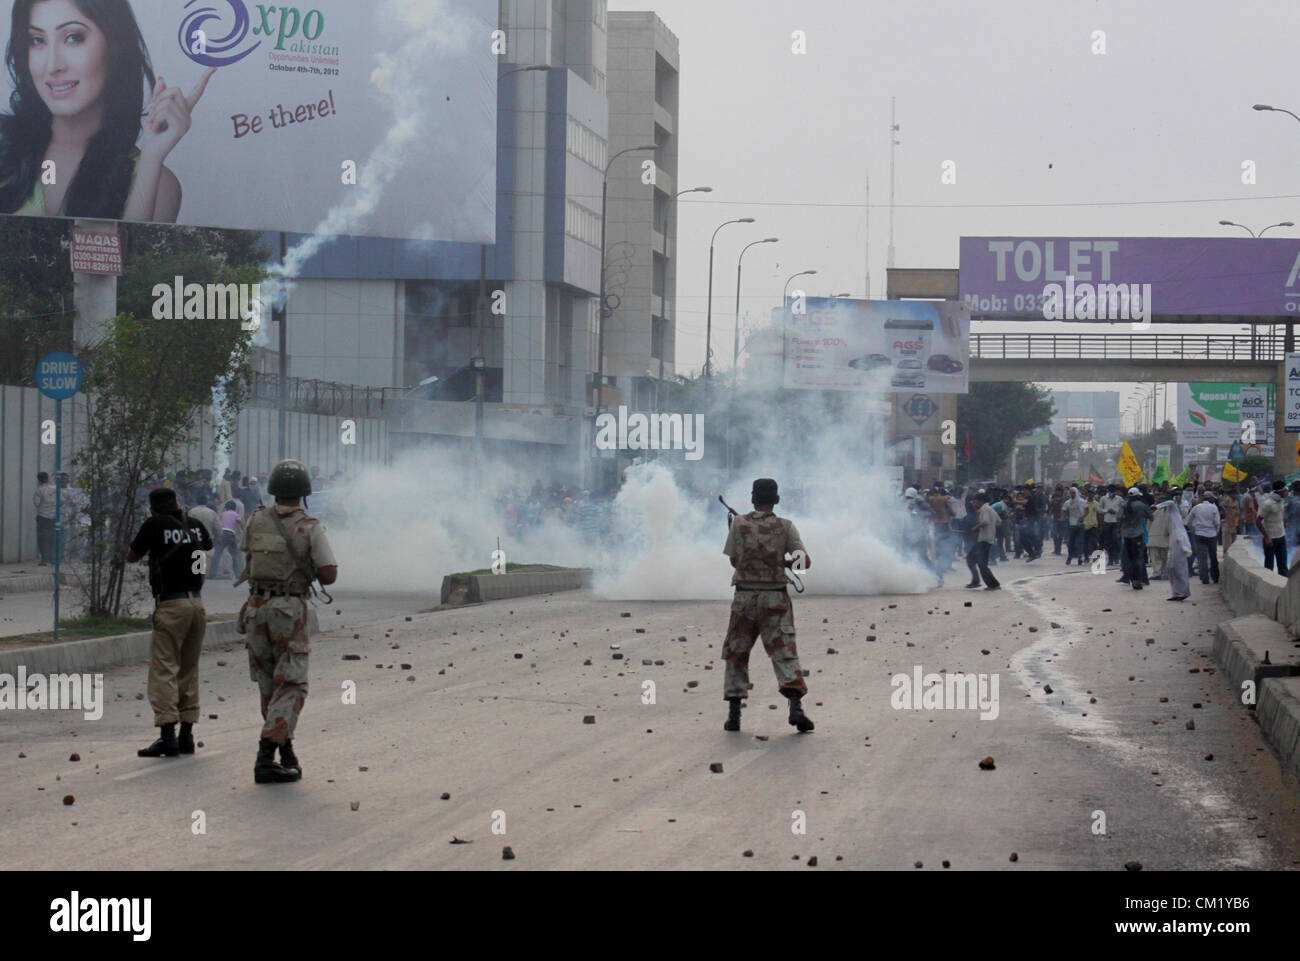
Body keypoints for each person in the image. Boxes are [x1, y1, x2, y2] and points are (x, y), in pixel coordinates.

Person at [0, 0, 214, 220]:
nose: (52, 65)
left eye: (74, 38)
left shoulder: (158, 183)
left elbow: (129, 253)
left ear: (115, 45)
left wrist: (152, 157)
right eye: (37, 40)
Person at [238, 459, 338, 784]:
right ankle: (266, 756)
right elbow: (329, 574)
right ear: (304, 493)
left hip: (255, 608)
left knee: (269, 684)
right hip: (288, 610)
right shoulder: (310, 526)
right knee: (292, 684)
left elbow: (249, 557)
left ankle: (286, 751)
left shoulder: (255, 519)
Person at [720, 478, 813, 734]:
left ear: (752, 499)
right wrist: (780, 561)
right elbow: (803, 563)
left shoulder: (739, 524)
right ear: (777, 499)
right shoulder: (785, 527)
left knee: (737, 653)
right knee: (784, 652)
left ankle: (734, 714)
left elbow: (734, 561)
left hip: (744, 599)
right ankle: (796, 708)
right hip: (774, 599)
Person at [124, 488, 212, 758]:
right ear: (177, 503)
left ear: (152, 509)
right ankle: (187, 735)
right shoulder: (195, 525)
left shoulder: (154, 524)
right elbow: (207, 546)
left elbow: (132, 556)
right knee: (189, 668)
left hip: (171, 605)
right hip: (197, 603)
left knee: (165, 669)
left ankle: (167, 736)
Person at [1118, 487, 1150, 589]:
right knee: (1139, 558)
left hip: (1126, 534)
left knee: (1129, 558)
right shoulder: (1142, 505)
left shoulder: (1123, 505)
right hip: (1138, 534)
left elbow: (1118, 517)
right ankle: (1142, 579)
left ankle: (1132, 579)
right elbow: (1151, 516)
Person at [1161, 498, 1192, 601]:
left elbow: (1170, 503)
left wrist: (1156, 506)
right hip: (1173, 545)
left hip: (1180, 545)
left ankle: (1183, 592)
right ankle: (1176, 592)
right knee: (1171, 568)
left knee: (1179, 569)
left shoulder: (1175, 515)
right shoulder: (1169, 517)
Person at [970, 491, 1001, 590]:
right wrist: (991, 528)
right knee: (971, 559)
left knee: (981, 564)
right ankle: (976, 581)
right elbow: (999, 522)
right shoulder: (990, 509)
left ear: (980, 501)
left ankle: (993, 584)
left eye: (975, 502)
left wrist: (976, 527)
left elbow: (985, 521)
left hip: (984, 539)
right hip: (988, 538)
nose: (974, 504)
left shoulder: (985, 509)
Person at [1257, 481, 1288, 575]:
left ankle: (1283, 586)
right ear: (1280, 491)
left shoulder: (1281, 501)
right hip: (1271, 539)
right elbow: (1258, 521)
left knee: (1283, 565)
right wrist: (1266, 537)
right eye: (1285, 490)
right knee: (1269, 566)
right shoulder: (1268, 504)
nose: (1287, 492)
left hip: (1281, 537)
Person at [211, 499, 243, 580]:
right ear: (234, 508)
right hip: (231, 534)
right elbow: (239, 522)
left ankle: (212, 574)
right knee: (234, 555)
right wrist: (242, 529)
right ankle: (237, 574)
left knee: (217, 555)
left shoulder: (223, 514)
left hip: (222, 534)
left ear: (226, 507)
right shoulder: (236, 514)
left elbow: (218, 522)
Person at [33, 471, 56, 565]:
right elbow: (62, 500)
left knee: (43, 539)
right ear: (48, 478)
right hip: (54, 516)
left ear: (39, 480)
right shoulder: (55, 489)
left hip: (43, 516)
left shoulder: (39, 490)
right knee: (53, 538)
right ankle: (53, 558)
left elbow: (36, 503)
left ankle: (44, 559)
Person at [1099, 485, 1124, 566]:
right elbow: (1099, 509)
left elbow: (1123, 508)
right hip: (1107, 521)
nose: (1111, 493)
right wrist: (1106, 510)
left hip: (1116, 522)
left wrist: (1116, 512)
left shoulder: (1119, 499)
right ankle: (1110, 558)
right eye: (1110, 491)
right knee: (1108, 541)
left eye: (1113, 491)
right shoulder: (1103, 498)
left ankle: (1116, 557)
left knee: (1116, 540)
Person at [1064, 486, 1087, 565]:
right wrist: (1063, 517)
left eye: (1073, 492)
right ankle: (1070, 556)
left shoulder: (1082, 501)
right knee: (1070, 542)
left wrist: (1083, 517)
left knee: (1079, 542)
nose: (1072, 494)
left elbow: (1087, 510)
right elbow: (1063, 510)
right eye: (1070, 493)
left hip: (1080, 524)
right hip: (1071, 524)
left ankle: (1080, 557)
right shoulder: (1068, 502)